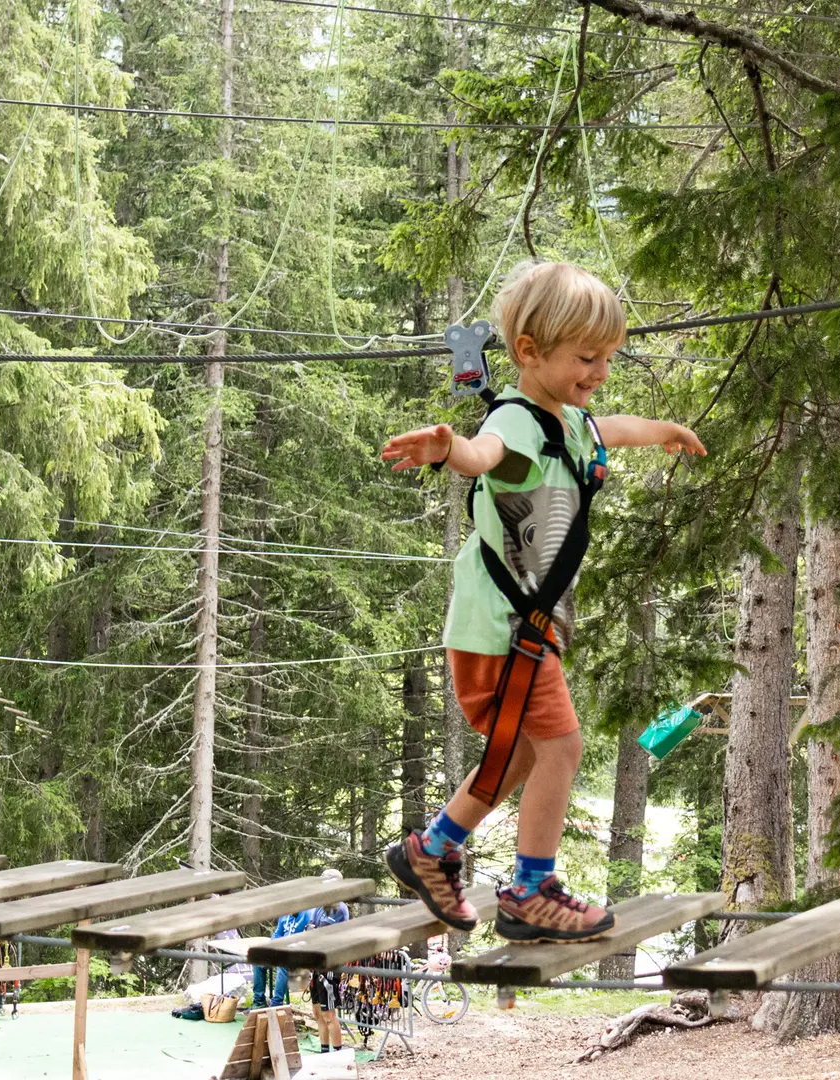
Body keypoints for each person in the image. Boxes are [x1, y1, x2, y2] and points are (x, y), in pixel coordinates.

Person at [380, 262, 705, 942]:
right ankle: (531, 888)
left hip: (510, 627)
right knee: (561, 748)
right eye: (588, 357)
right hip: (502, 628)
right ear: (529, 352)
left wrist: (661, 430)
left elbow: (609, 428)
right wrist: (449, 449)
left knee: (520, 755)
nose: (600, 371)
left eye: (608, 358)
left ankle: (432, 849)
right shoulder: (520, 422)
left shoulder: (569, 423)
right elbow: (485, 452)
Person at [307, 872, 352, 1051]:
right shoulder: (318, 906)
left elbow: (321, 933)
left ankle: (338, 1053)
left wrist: (313, 931)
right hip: (316, 963)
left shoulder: (338, 907)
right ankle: (324, 1051)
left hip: (330, 964)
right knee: (317, 1013)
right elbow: (310, 930)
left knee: (328, 1013)